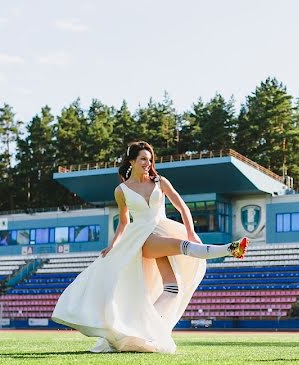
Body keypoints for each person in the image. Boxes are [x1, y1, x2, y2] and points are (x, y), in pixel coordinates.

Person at [51, 141, 248, 353]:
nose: (148, 163)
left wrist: (191, 232)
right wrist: (113, 245)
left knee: (173, 288)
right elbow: (124, 221)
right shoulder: (121, 190)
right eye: (143, 159)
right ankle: (229, 249)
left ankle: (144, 331)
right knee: (181, 246)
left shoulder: (160, 182)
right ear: (131, 161)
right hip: (141, 237)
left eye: (150, 159)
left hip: (162, 229)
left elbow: (182, 207)